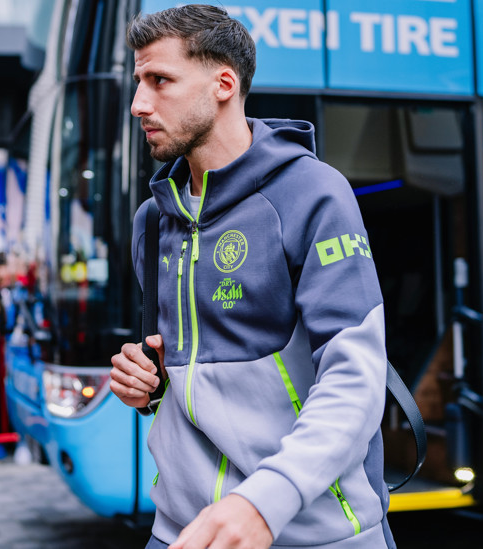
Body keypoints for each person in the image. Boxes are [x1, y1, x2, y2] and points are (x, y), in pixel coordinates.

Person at [108, 6, 394, 549]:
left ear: (224, 83)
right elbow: (188, 369)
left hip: (310, 531)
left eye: (159, 80)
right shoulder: (154, 217)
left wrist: (266, 501)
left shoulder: (311, 193)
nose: (139, 104)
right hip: (181, 531)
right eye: (138, 81)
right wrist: (145, 383)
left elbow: (355, 376)